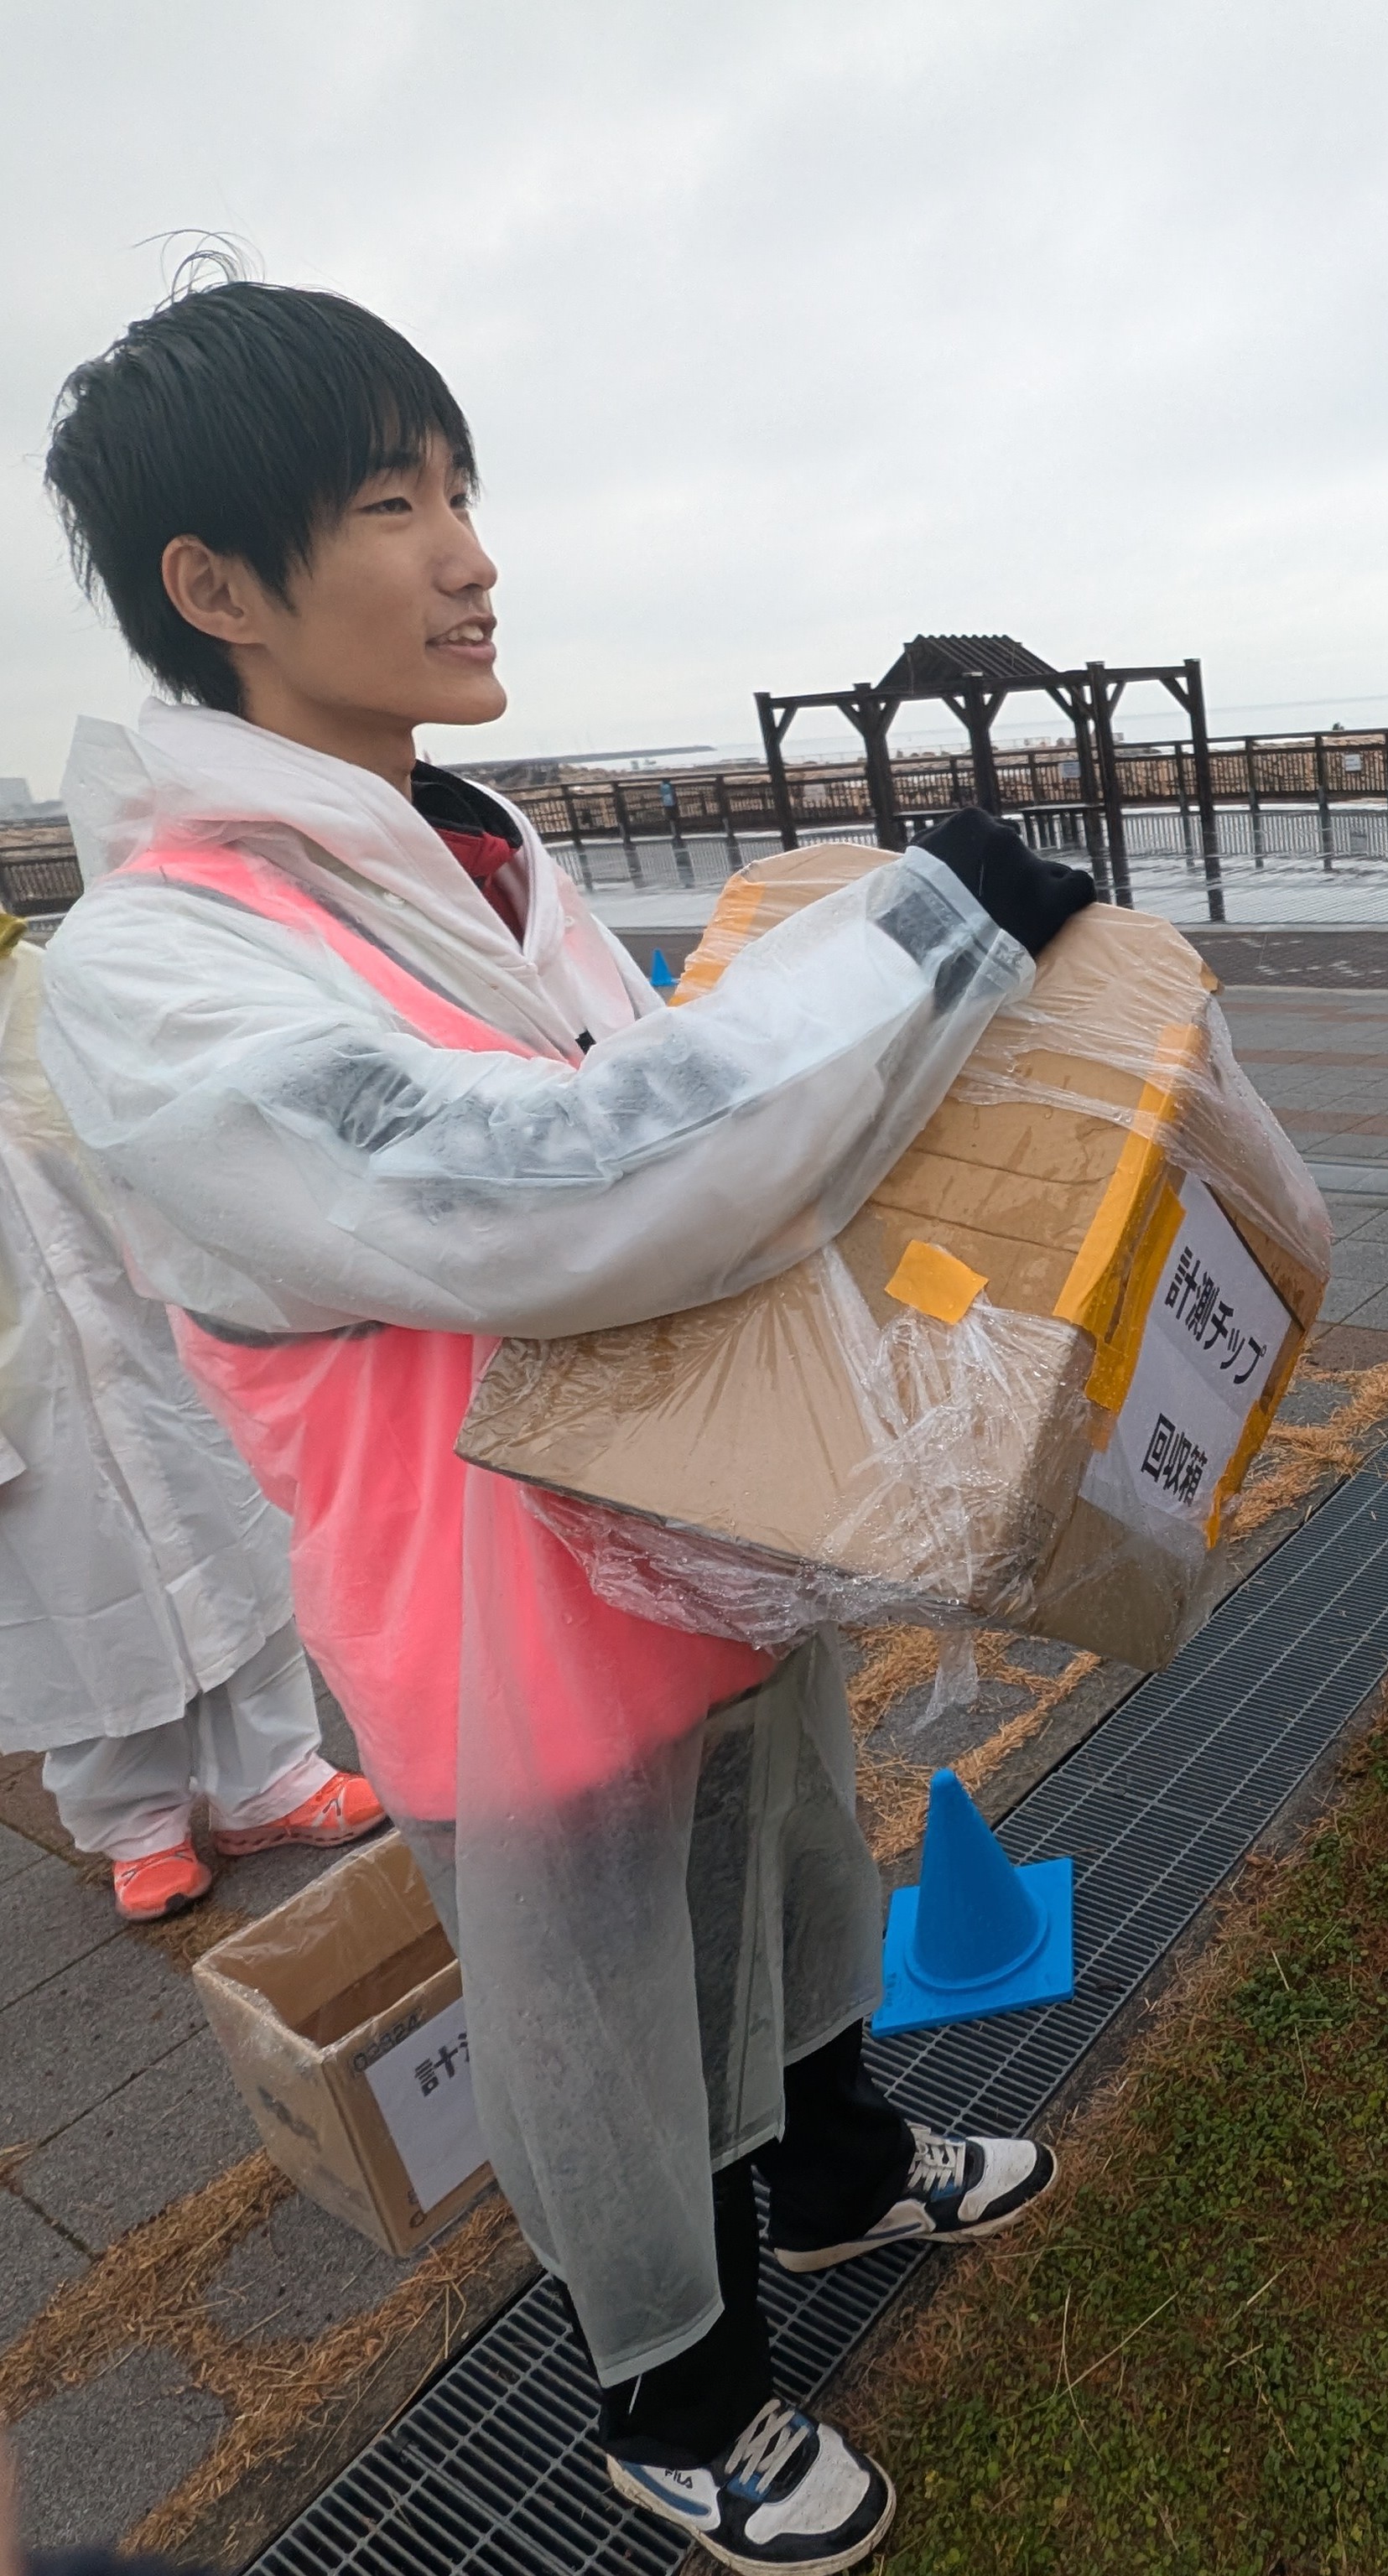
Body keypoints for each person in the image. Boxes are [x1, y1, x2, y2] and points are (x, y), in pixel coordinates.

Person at [39, 278, 1089, 2573]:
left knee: (803, 1857)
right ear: (213, 591)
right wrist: (932, 931)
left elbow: (690, 1119)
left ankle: (831, 2171)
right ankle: (673, 2393)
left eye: (462, 491)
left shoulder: (477, 851)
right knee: (599, 2014)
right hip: (500, 1603)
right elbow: (575, 1190)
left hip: (706, 1520)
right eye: (393, 505)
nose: (467, 552)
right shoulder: (159, 965)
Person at [0, 904, 382, 1923]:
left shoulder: (60, 991)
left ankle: (272, 1780)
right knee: (78, 1612)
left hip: (154, 1340)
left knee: (240, 1553)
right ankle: (138, 1826)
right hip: (25, 1405)